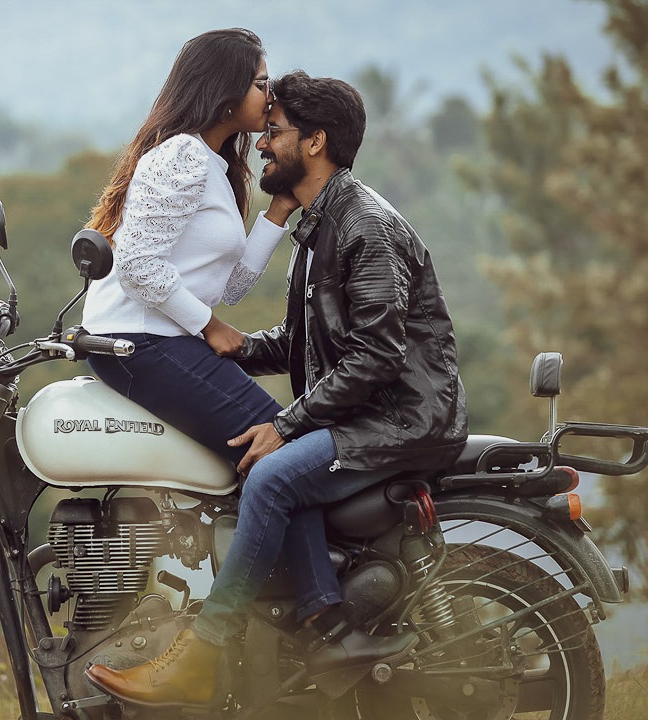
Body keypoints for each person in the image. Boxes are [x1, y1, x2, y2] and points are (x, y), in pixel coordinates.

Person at [85, 72, 469, 710]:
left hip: (399, 420)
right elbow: (305, 341)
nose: (262, 143)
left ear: (315, 142)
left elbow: (376, 356)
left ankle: (203, 655)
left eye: (275, 131)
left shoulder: (365, 227)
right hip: (364, 415)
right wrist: (228, 346)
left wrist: (286, 426)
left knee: (269, 474)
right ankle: (320, 619)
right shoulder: (321, 226)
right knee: (269, 468)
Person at [81, 28, 299, 468]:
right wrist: (210, 326)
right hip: (138, 339)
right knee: (286, 454)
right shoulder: (184, 154)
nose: (270, 96)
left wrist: (279, 211)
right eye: (261, 84)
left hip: (160, 337)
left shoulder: (215, 164)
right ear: (225, 89)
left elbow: (230, 287)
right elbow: (137, 266)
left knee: (279, 452)